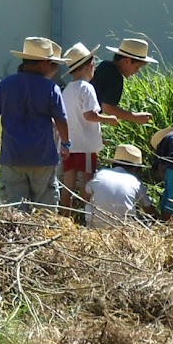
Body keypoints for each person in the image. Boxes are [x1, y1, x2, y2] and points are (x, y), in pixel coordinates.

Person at [0, 37, 69, 213]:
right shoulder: (51, 88)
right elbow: (61, 119)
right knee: (46, 209)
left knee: (14, 210)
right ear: (44, 63)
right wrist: (66, 144)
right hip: (43, 157)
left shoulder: (4, 85)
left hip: (12, 155)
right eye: (52, 63)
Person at [58, 42, 118, 218]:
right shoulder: (87, 87)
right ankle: (87, 217)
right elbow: (89, 115)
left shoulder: (67, 90)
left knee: (68, 182)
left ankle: (65, 217)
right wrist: (108, 119)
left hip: (69, 145)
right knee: (88, 182)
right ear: (89, 65)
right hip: (85, 146)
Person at [84, 143, 155, 229]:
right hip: (124, 228)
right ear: (135, 168)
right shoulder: (135, 182)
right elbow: (149, 210)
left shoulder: (101, 174)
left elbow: (86, 196)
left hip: (96, 227)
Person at [92, 37, 158, 126]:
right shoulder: (115, 76)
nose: (137, 71)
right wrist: (136, 117)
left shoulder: (102, 64)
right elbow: (107, 108)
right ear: (127, 61)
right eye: (137, 67)